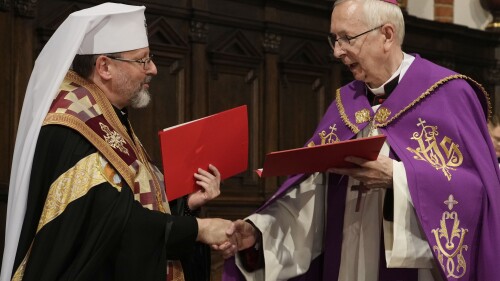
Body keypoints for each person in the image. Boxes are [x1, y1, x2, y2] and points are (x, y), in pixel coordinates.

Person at [221, 0, 500, 280]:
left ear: (387, 36)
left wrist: (399, 177)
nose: (337, 51)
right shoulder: (346, 103)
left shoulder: (450, 94)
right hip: (346, 263)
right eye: (334, 39)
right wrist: (259, 233)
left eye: (346, 38)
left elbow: (479, 191)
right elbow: (311, 193)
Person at [0, 3, 234, 281]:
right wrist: (199, 229)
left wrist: (184, 205)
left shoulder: (104, 112)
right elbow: (113, 227)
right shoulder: (74, 126)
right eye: (142, 60)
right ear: (105, 66)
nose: (154, 69)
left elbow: (120, 205)